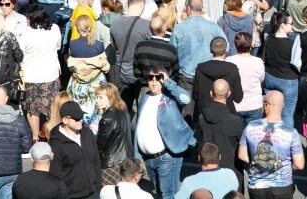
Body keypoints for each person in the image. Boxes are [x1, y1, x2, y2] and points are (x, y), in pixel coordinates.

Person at [134, 71, 195, 199]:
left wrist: (168, 81)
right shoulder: (145, 97)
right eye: (151, 78)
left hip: (167, 157)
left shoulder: (169, 97)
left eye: (159, 78)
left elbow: (186, 98)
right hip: (148, 158)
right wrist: (138, 155)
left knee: (169, 195)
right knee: (158, 193)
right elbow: (139, 126)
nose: (154, 81)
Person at [237, 89, 306, 199]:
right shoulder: (291, 132)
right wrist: (287, 167)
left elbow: (241, 155)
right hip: (283, 186)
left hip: (257, 186)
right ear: (283, 105)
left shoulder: (251, 126)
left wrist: (256, 162)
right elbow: (299, 164)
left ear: (266, 105)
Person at [21, 6, 64, 142]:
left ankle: (35, 137)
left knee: (33, 109)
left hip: (32, 76)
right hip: (51, 74)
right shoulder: (55, 29)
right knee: (52, 108)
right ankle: (52, 135)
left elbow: (19, 53)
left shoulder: (26, 34)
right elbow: (58, 47)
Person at [48, 100, 102, 199]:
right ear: (65, 120)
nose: (80, 120)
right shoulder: (56, 144)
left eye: (81, 117)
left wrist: (98, 186)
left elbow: (96, 161)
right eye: (76, 118)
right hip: (72, 196)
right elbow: (56, 175)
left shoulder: (88, 134)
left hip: (93, 193)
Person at [171, 0, 224, 88]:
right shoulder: (214, 27)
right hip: (208, 76)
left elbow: (172, 52)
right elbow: (225, 47)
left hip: (186, 77)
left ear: (188, 9)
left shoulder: (179, 28)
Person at [196, 78, 246, 173]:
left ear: (211, 93)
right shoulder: (235, 121)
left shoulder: (201, 118)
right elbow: (244, 145)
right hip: (231, 170)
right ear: (229, 93)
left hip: (207, 168)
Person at [94, 85, 132, 187]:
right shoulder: (124, 111)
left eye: (100, 97)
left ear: (111, 98)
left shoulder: (107, 118)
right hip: (126, 158)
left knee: (110, 192)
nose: (97, 101)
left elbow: (99, 146)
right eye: (96, 97)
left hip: (111, 163)